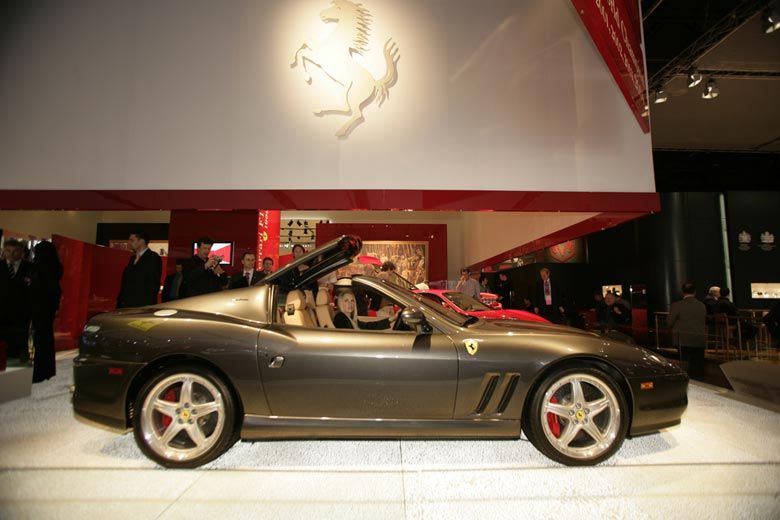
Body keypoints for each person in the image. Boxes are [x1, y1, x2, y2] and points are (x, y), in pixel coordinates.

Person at [28, 241, 63, 382]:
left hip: (40, 307)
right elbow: (55, 290)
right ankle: (47, 370)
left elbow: (41, 289)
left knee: (40, 340)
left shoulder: (41, 267)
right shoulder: (55, 267)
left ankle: (40, 371)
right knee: (46, 339)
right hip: (47, 308)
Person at [0, 239, 33, 362]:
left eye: (15, 251)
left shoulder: (31, 268)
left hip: (22, 314)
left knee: (20, 344)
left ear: (22, 252)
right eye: (8, 250)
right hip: (1, 313)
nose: (11, 254)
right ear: (4, 250)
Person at [668, 282, 706, 378]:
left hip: (683, 339)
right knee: (698, 366)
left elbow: (669, 323)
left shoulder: (677, 305)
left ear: (682, 292)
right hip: (699, 339)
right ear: (695, 292)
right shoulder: (702, 305)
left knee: (685, 366)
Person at [116, 231, 163, 308]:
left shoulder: (153, 258)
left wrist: (147, 306)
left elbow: (153, 284)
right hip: (126, 304)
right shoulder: (132, 258)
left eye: (132, 240)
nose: (129, 242)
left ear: (142, 241)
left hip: (141, 305)